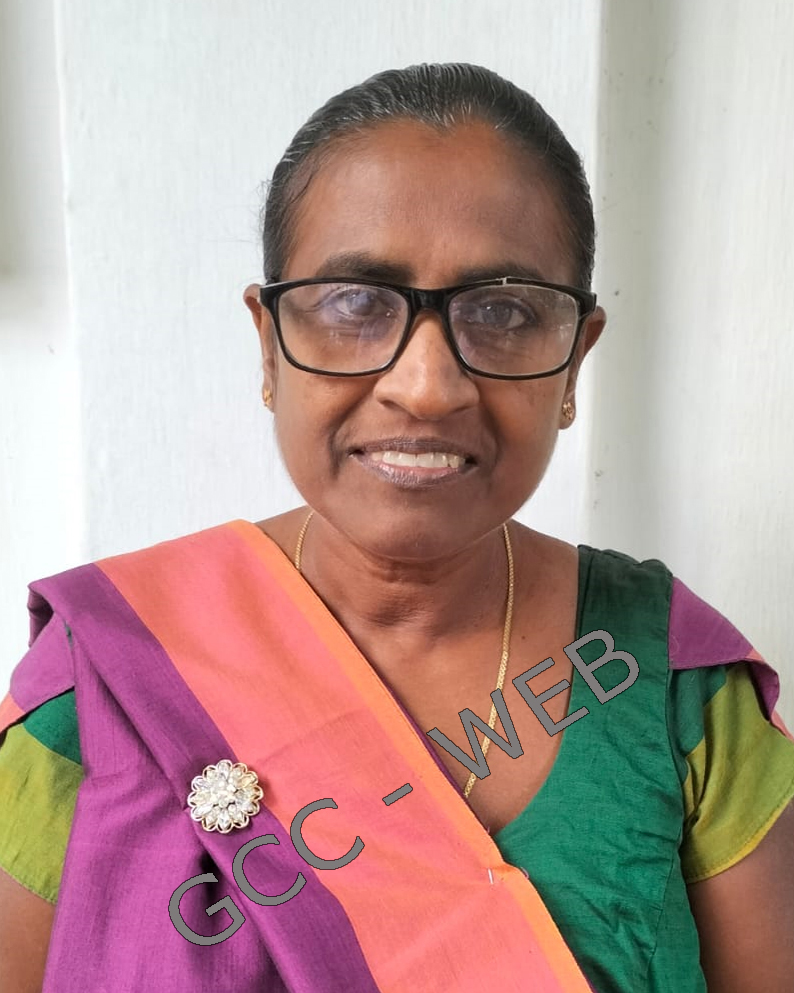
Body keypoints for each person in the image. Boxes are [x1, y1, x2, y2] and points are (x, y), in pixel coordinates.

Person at [1, 63, 793, 993]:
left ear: (574, 361)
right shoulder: (110, 674)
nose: (425, 386)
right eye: (354, 302)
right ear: (269, 345)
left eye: (502, 311)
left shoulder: (670, 680)